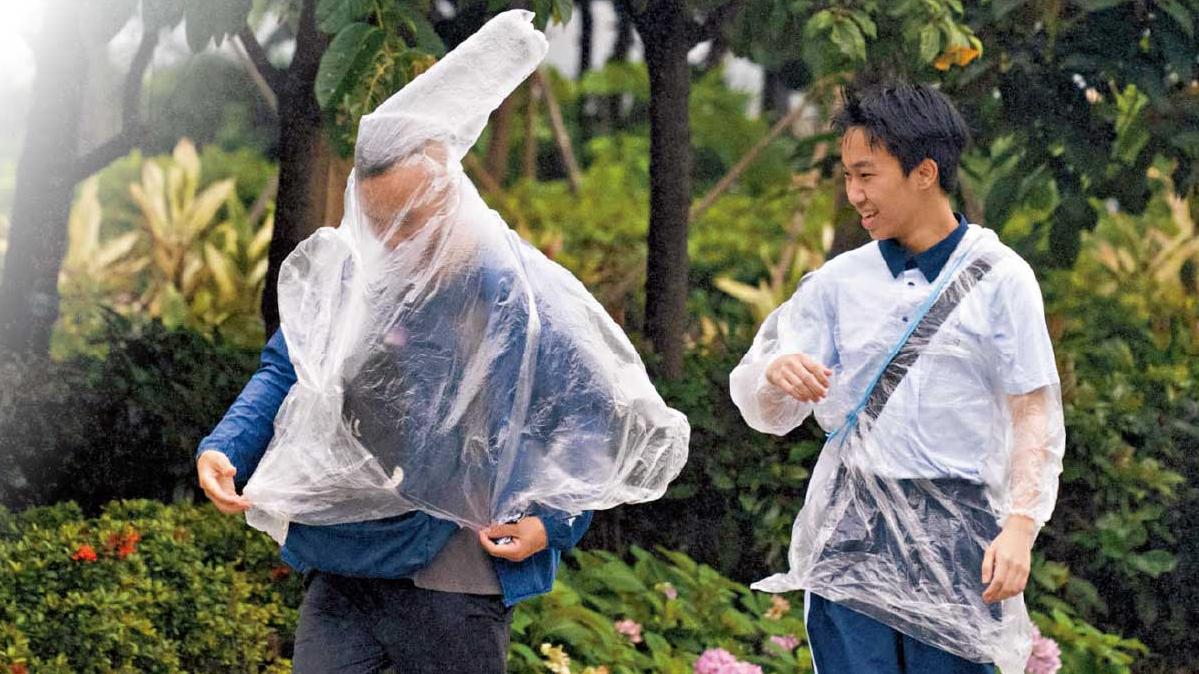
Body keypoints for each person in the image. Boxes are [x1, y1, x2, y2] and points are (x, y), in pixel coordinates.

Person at [197, 11, 688, 673]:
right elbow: (289, 367)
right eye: (377, 224)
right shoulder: (354, 272)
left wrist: (552, 522)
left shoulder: (518, 292)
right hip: (345, 557)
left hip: (452, 570)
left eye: (406, 220)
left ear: (445, 188)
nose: (392, 241)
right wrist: (227, 446)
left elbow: (591, 416)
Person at [730, 77, 1065, 674]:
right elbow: (769, 411)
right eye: (848, 177)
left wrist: (1020, 529)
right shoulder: (839, 282)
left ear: (924, 172)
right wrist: (775, 372)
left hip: (960, 533)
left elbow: (1033, 411)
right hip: (852, 526)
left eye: (867, 175)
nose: (854, 194)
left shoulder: (1001, 278)